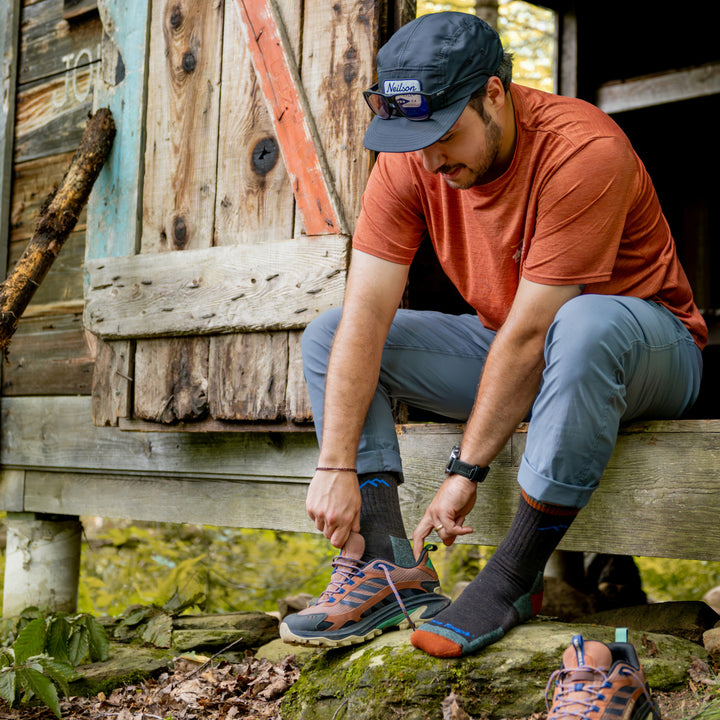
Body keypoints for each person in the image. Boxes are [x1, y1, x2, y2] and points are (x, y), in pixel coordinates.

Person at [279, 11, 706, 658]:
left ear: (495, 95)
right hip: (520, 350)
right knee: (330, 332)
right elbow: (366, 313)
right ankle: (388, 568)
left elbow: (536, 333)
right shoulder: (414, 162)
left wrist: (465, 470)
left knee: (581, 324)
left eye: (444, 133)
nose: (428, 157)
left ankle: (510, 578)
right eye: (413, 138)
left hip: (647, 350)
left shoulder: (583, 150)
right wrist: (335, 461)